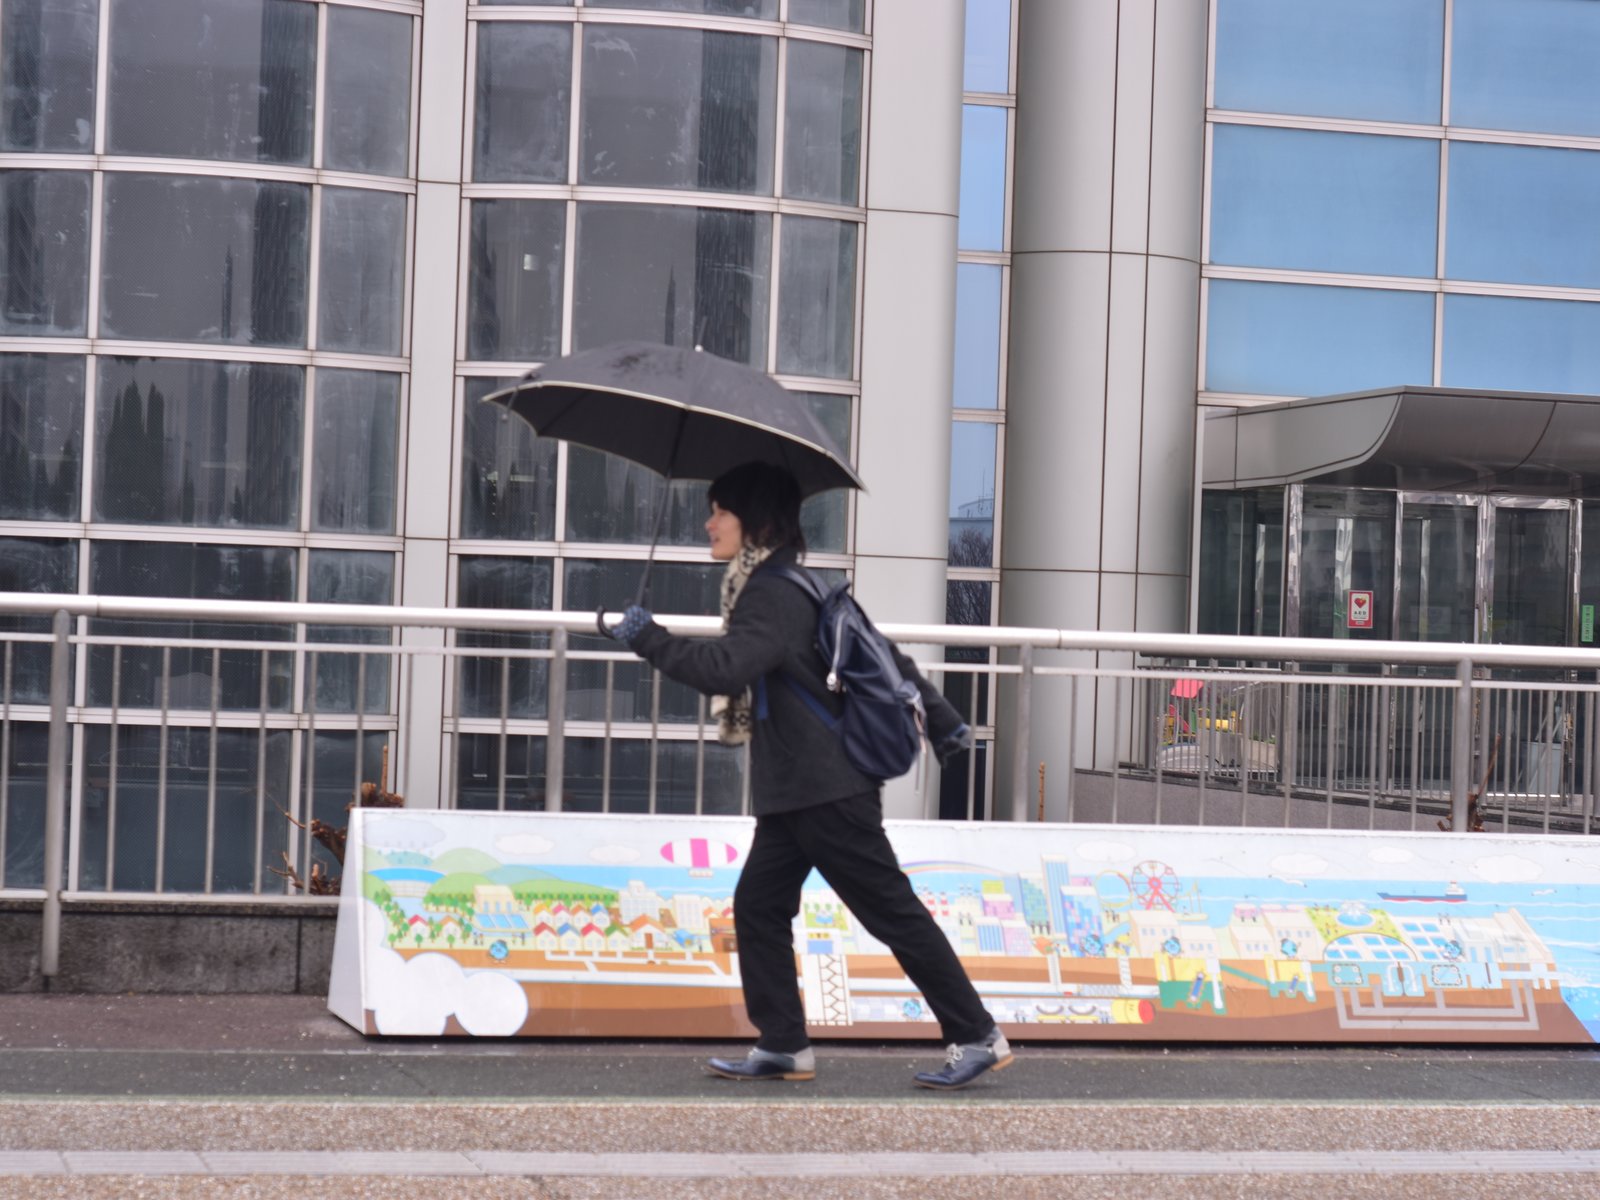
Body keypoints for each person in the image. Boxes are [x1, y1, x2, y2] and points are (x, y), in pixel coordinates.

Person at [604, 460, 1013, 1091]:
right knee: (759, 906)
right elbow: (890, 653)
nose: (708, 522)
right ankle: (784, 1044)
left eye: (720, 510)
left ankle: (977, 1033)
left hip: (826, 789)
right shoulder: (804, 585)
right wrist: (942, 717)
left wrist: (648, 638)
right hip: (801, 791)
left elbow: (725, 667)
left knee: (892, 913)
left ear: (755, 520)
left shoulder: (768, 592)